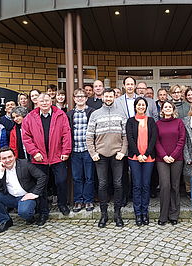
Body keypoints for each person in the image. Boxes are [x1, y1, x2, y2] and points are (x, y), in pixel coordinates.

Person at [22, 93, 72, 226]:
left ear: (51, 101)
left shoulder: (60, 115)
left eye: (47, 100)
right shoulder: (30, 117)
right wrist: (34, 152)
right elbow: (26, 137)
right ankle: (43, 212)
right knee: (41, 185)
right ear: (37, 102)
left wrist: (65, 151)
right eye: (41, 101)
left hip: (57, 155)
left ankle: (62, 204)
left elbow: (66, 134)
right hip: (39, 157)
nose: (44, 103)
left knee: (61, 181)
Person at [86, 88, 127, 228]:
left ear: (114, 97)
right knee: (102, 184)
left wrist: (123, 151)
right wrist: (93, 153)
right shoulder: (95, 114)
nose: (109, 98)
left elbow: (125, 135)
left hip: (117, 155)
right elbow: (89, 136)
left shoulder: (121, 113)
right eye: (106, 96)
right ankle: (104, 214)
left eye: (111, 96)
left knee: (118, 184)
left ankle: (117, 214)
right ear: (102, 97)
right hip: (101, 155)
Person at [0, 147, 47, 233]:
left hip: (26, 197)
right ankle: (5, 220)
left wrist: (35, 193)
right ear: (0, 160)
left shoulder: (25, 164)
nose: (7, 160)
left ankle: (30, 217)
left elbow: (42, 177)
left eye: (10, 157)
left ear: (14, 156)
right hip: (10, 197)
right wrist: (1, 173)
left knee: (24, 212)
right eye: (4, 158)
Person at [126, 97, 157, 226]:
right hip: (134, 158)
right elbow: (130, 138)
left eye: (143, 105)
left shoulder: (151, 121)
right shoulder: (130, 121)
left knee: (146, 185)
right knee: (137, 185)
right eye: (139, 105)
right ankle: (138, 213)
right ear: (135, 107)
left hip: (149, 158)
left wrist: (146, 154)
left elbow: (153, 138)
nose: (141, 107)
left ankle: (145, 212)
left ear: (146, 107)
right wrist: (138, 154)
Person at [155, 101, 186, 226]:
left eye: (170, 107)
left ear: (173, 110)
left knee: (174, 186)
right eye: (165, 107)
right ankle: (163, 216)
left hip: (176, 159)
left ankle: (174, 215)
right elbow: (156, 141)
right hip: (161, 160)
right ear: (162, 110)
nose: (167, 109)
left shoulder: (179, 122)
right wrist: (164, 156)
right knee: (164, 186)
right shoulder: (157, 124)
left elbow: (182, 139)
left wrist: (173, 155)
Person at [66, 88, 95, 212]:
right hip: (75, 150)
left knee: (89, 177)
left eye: (82, 96)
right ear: (74, 99)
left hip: (88, 150)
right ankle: (78, 201)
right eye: (77, 96)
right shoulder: (69, 114)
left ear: (86, 98)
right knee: (77, 177)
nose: (80, 98)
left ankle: (88, 200)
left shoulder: (92, 112)